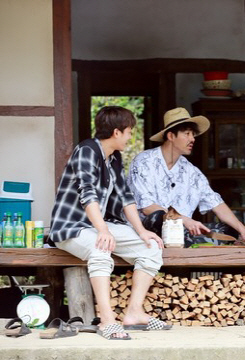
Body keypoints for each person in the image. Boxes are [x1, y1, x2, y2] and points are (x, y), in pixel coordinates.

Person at [49, 106, 167, 340]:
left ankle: (134, 313)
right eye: (129, 131)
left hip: (99, 225)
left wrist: (142, 231)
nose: (130, 136)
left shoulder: (114, 158)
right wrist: (103, 230)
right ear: (116, 132)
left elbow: (125, 197)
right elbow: (87, 193)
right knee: (101, 249)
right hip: (72, 226)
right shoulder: (86, 150)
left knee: (151, 248)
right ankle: (107, 320)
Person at [127, 107, 245, 245]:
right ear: (171, 136)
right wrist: (184, 220)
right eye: (187, 134)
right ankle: (194, 242)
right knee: (159, 217)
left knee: (230, 230)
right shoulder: (143, 162)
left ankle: (192, 241)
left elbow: (215, 202)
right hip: (149, 229)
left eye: (193, 134)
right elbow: (146, 207)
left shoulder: (191, 171)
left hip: (183, 231)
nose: (192, 139)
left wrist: (243, 229)